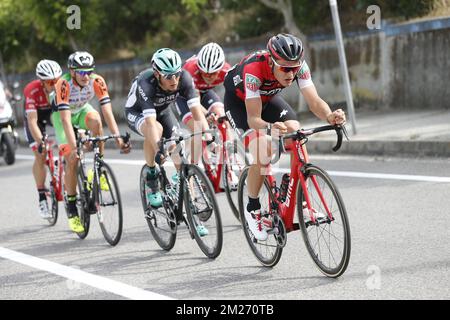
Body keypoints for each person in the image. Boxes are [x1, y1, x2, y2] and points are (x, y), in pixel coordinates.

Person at [223, 33, 346, 241]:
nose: (291, 74)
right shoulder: (253, 70)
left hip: (267, 98)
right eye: (285, 69)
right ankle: (252, 209)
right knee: (263, 149)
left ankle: (302, 201)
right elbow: (254, 118)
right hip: (240, 105)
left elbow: (314, 101)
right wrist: (270, 128)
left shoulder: (298, 67)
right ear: (272, 61)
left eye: (295, 68)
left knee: (295, 131)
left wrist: (329, 115)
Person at [124, 48, 210, 235]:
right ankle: (152, 175)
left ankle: (193, 216)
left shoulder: (185, 78)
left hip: (163, 111)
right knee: (156, 131)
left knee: (179, 153)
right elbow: (151, 123)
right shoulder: (146, 83)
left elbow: (196, 113)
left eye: (176, 75)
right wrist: (158, 149)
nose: (174, 80)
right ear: (157, 74)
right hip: (137, 113)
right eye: (168, 77)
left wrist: (208, 136)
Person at [53, 51, 130, 233]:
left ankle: (99, 167)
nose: (86, 76)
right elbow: (65, 120)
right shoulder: (63, 84)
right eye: (81, 72)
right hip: (62, 117)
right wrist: (74, 149)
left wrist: (118, 138)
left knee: (96, 120)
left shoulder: (97, 81)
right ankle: (72, 209)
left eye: (89, 71)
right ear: (72, 72)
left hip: (80, 111)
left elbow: (107, 111)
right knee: (73, 159)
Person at [23, 60, 62, 219]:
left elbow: (66, 117)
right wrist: (41, 141)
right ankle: (41, 197)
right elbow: (32, 121)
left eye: (57, 80)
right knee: (41, 154)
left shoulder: (62, 87)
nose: (54, 85)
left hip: (53, 114)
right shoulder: (31, 91)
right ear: (41, 81)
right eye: (50, 82)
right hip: (36, 117)